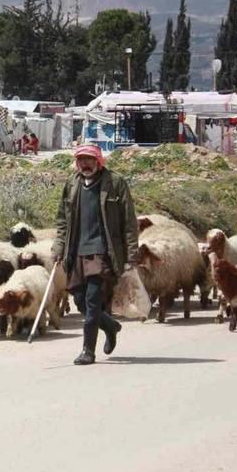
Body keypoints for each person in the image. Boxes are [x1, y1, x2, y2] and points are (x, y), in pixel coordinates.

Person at [52, 144, 139, 365]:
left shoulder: (114, 183)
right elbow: (62, 220)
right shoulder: (72, 183)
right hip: (76, 252)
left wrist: (131, 254)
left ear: (98, 161)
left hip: (103, 252)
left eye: (89, 160)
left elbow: (129, 221)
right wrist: (58, 248)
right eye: (81, 160)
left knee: (92, 301)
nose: (85, 164)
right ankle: (110, 326)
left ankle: (87, 351)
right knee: (81, 302)